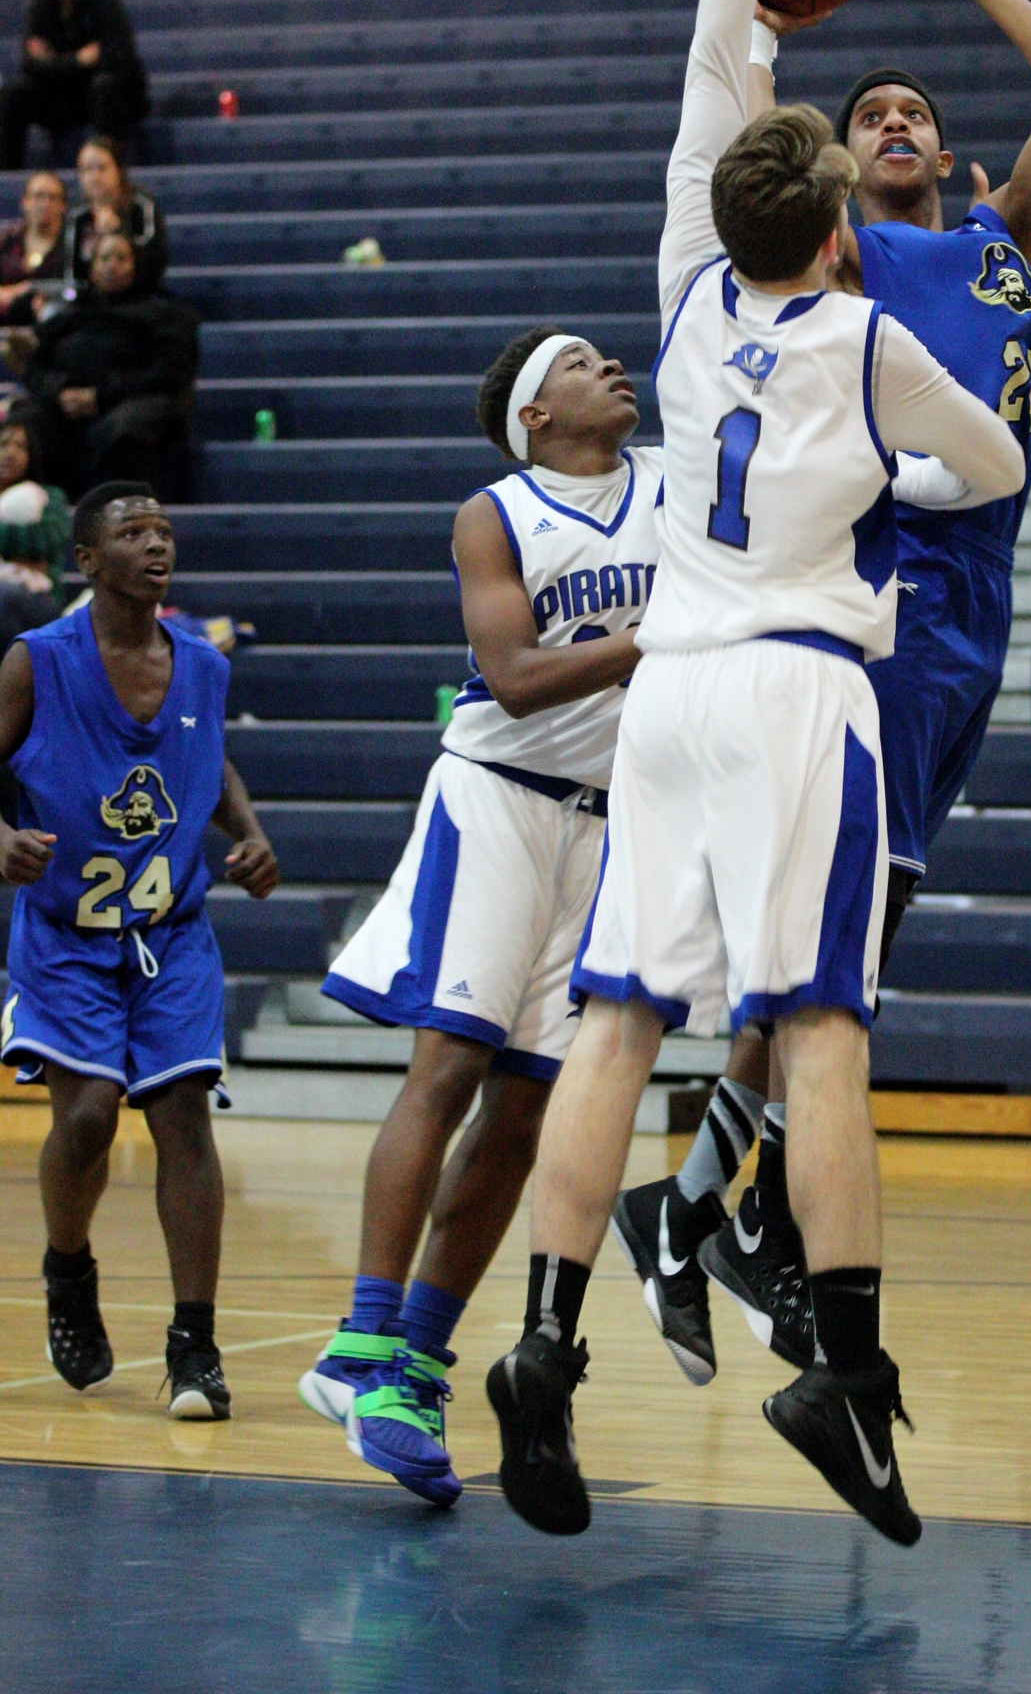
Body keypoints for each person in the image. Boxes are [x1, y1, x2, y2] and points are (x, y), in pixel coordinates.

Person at [484, 0, 1024, 1546]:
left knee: (619, 1028)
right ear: (838, 228)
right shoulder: (873, 344)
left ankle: (542, 1352)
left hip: (668, 697)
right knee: (819, 1044)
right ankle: (845, 1381)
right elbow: (996, 462)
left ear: (723, 212)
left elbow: (717, 60)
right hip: (801, 692)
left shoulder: (681, 284)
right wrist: (897, 482)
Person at [627, 0, 1031, 1379]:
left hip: (976, 624)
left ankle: (704, 1210)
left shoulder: (999, 242)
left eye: (916, 116)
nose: (894, 126)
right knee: (846, 949)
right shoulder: (840, 264)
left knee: (859, 949)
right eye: (870, 119)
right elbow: (740, 139)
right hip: (890, 610)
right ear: (839, 183)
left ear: (948, 155)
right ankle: (706, 1206)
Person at [296, 325, 663, 1507]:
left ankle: (417, 1362)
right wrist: (660, 641)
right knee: (449, 1062)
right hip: (497, 795)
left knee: (527, 1106)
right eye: (578, 364)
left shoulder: (670, 480)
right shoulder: (495, 509)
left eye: (608, 356)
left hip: (609, 823)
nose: (610, 367)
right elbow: (510, 674)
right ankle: (359, 1344)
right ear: (534, 417)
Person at [0, 482, 278, 1418]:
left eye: (163, 529)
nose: (156, 543)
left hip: (171, 935)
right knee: (84, 1119)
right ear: (87, 558)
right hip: (66, 936)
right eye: (133, 531)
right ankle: (68, 1268)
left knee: (184, 1115)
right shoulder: (36, 661)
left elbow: (218, 762)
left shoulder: (201, 664)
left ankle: (193, 1344)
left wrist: (248, 830)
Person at [23, 232, 198, 501]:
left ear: (136, 266)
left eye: (121, 258)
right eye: (104, 257)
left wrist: (99, 396)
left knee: (123, 428)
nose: (112, 265)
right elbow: (36, 367)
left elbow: (169, 373)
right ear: (92, 268)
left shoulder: (164, 315)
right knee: (27, 423)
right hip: (66, 405)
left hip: (131, 401)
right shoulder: (71, 314)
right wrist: (60, 392)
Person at [0, 0, 148, 171]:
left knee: (106, 87)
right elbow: (30, 65)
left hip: (98, 96)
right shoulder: (40, 5)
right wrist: (79, 60)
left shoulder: (104, 1)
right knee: (13, 95)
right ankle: (7, 174)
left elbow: (119, 56)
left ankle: (109, 170)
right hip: (60, 96)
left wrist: (55, 61)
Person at [0, 411, 70, 654]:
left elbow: (46, 540)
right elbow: (30, 543)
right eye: (3, 444)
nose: (10, 453)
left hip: (39, 597)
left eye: (20, 446)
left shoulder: (50, 497)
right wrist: (20, 553)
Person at [64, 135, 167, 294]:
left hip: (140, 295)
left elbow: (155, 260)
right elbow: (70, 270)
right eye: (87, 169)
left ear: (119, 170)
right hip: (90, 299)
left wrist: (119, 232)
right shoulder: (77, 215)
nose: (95, 177)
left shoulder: (141, 205)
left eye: (102, 168)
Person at [0, 173, 67, 328]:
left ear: (63, 206)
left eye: (52, 197)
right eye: (38, 196)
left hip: (52, 324)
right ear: (25, 201)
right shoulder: (6, 242)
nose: (45, 204)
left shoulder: (69, 245)